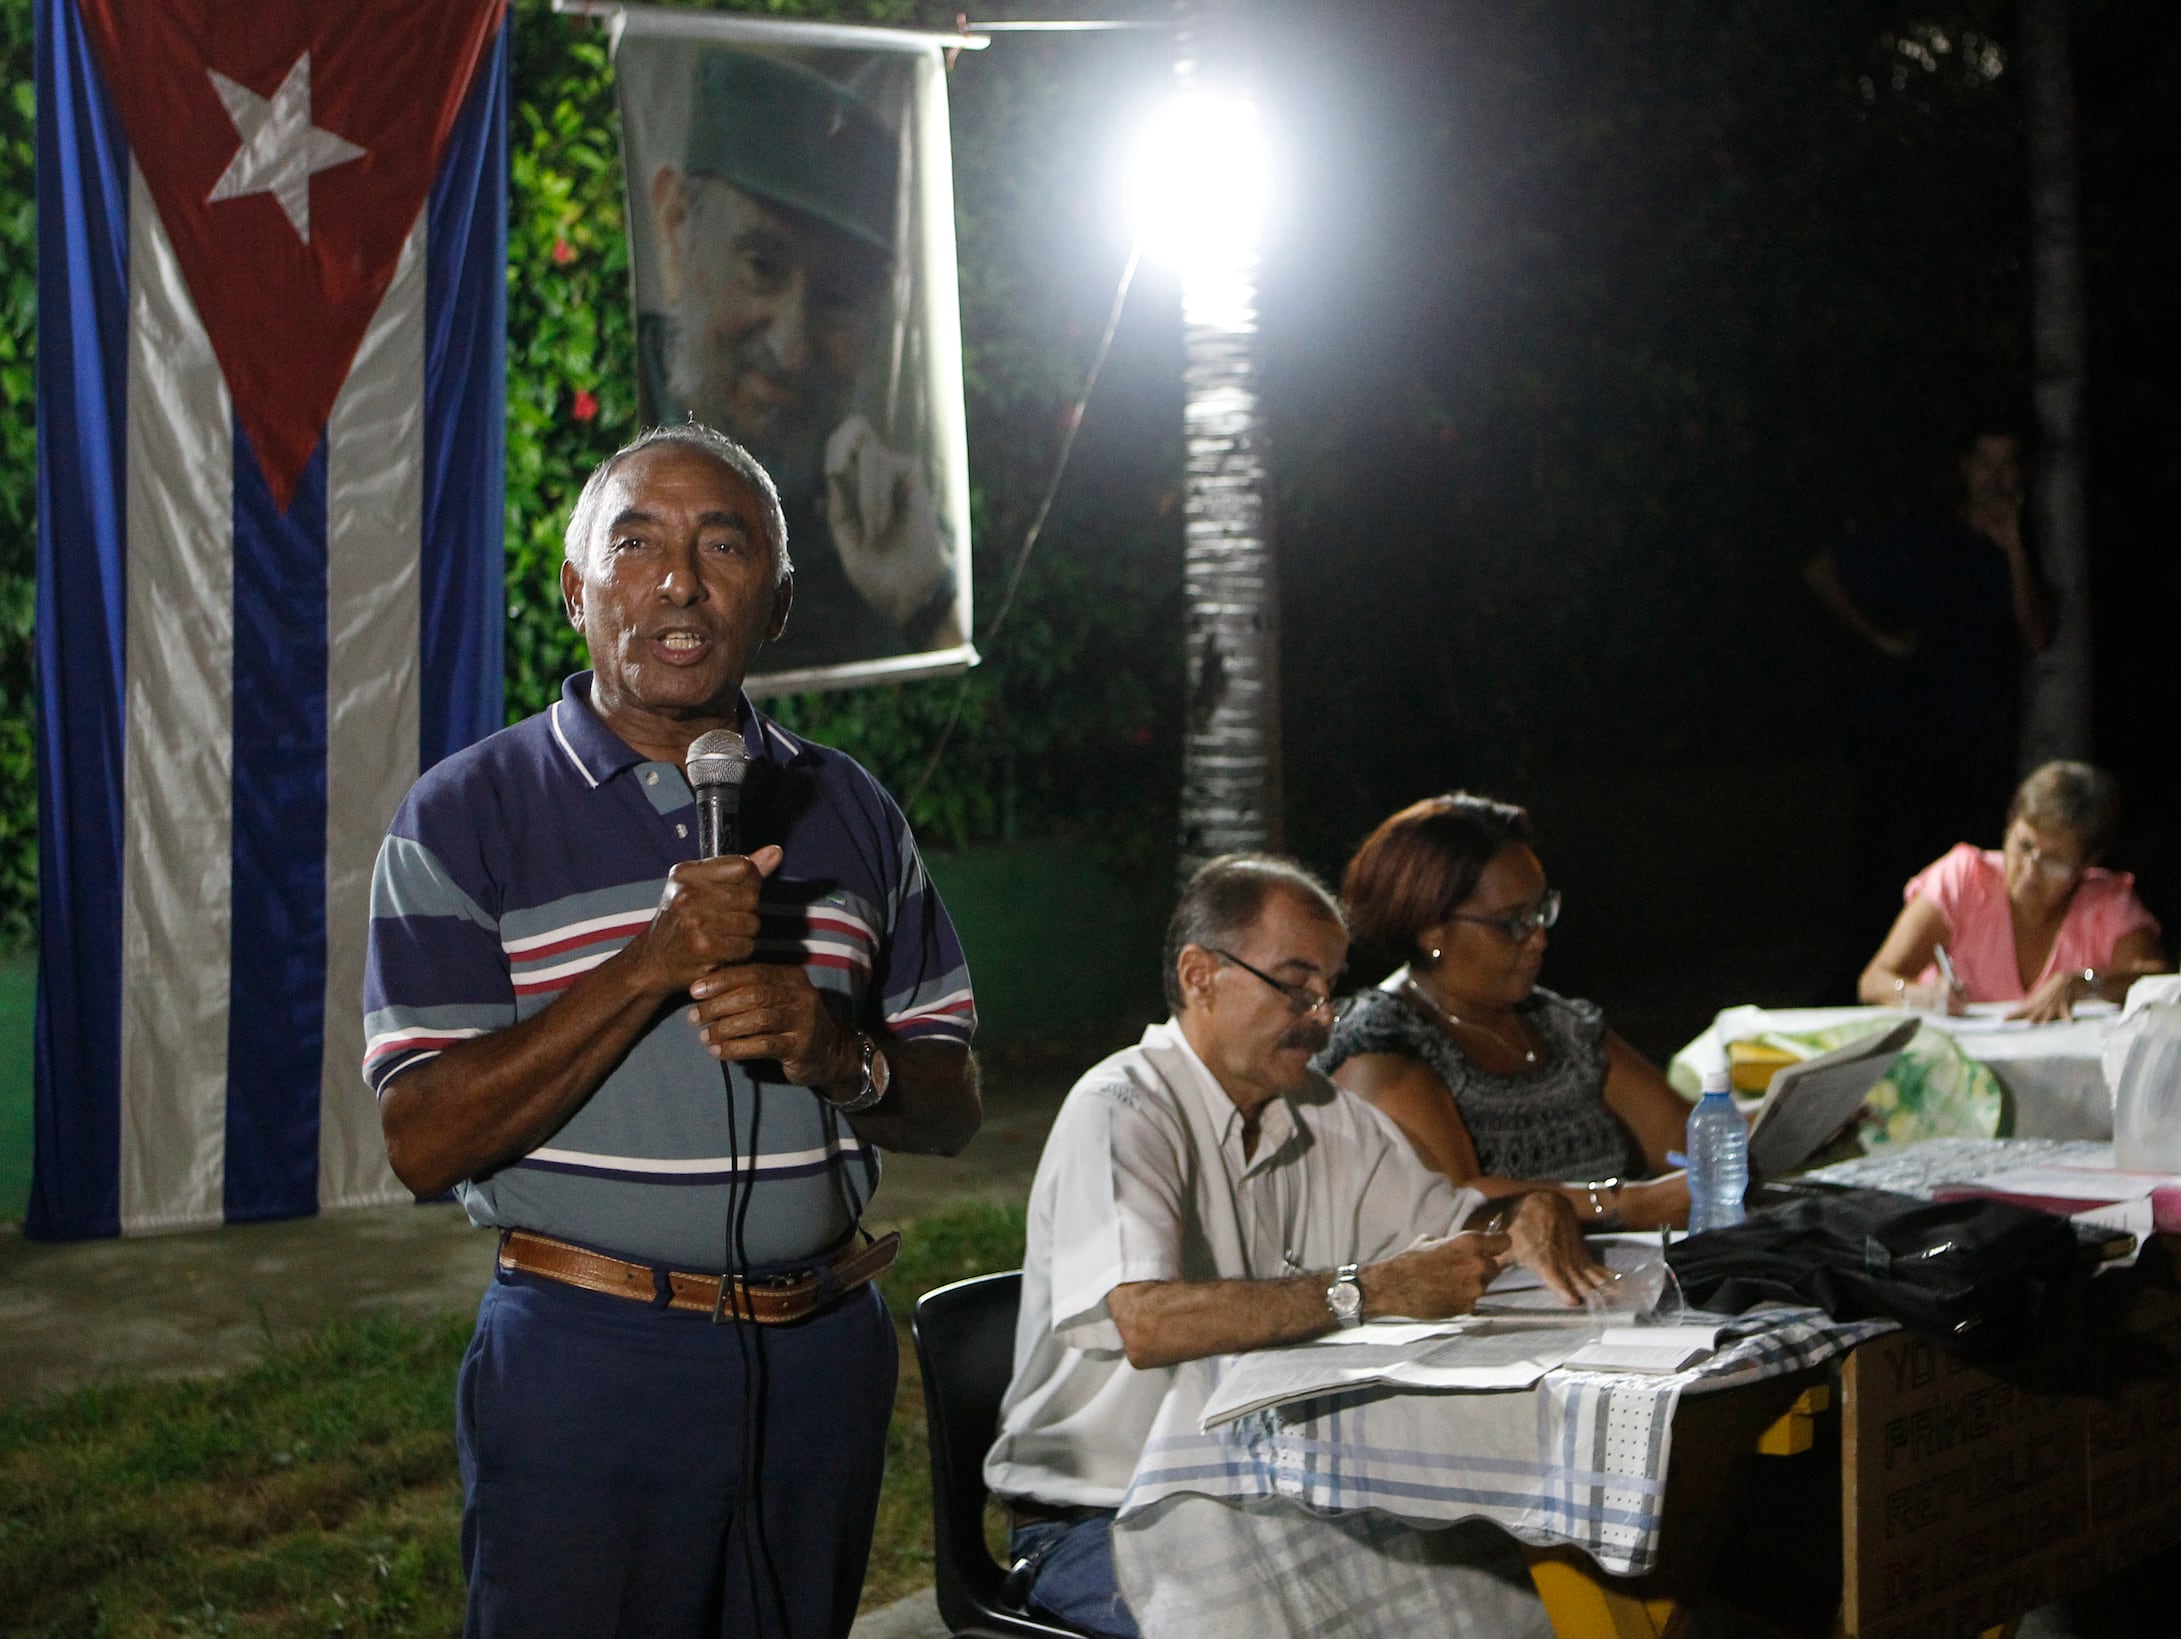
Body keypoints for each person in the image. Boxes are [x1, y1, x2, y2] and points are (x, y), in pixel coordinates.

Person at [364, 426, 982, 1638]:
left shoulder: (850, 810)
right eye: (635, 542)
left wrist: (839, 1056)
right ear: (577, 589)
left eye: (723, 544)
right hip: (589, 1360)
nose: (679, 580)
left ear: (780, 601)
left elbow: (952, 1100)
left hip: (820, 1362)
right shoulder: (463, 816)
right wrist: (650, 965)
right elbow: (422, 1141)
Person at [983, 855, 1604, 1638]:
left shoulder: (1322, 1112)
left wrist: (1527, 1214)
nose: (1319, 1017)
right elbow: (1148, 1322)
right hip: (1100, 1515)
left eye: (1328, 991)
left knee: (1517, 1594)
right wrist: (1367, 1290)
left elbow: (1448, 1234)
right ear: (1200, 975)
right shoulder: (1121, 1107)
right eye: (1293, 984)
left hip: (1268, 1495)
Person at [642, 47, 960, 671]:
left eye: (840, 297)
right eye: (762, 267)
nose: (793, 347)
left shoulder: (871, 522)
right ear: (677, 230)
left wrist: (924, 605)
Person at [1312, 795, 1694, 1230]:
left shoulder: (1555, 1024)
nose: (1538, 939)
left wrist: (1774, 1115)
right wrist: (1623, 1204)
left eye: (1540, 913)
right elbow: (1454, 1204)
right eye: (1513, 922)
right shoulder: (1380, 1047)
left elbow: (1680, 1137)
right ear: (1430, 928)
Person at [1807, 429, 2058, 964]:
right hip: (1899, 732)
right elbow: (1821, 569)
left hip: (1974, 741)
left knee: (1962, 874)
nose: (1996, 478)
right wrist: (1877, 635)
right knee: (1883, 873)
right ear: (1966, 469)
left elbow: (2039, 634)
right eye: (1985, 464)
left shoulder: (2026, 547)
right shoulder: (1924, 536)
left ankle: (1952, 978)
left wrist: (2013, 548)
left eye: (2008, 465)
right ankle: (1867, 983)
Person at [1857, 761, 2167, 1024]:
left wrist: (2086, 984)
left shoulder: (2106, 901)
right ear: (2009, 827)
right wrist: (1921, 996)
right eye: (2024, 845)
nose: (2031, 870)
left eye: (2054, 861)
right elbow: (1873, 981)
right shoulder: (1964, 879)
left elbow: (2159, 980)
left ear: (2087, 864)